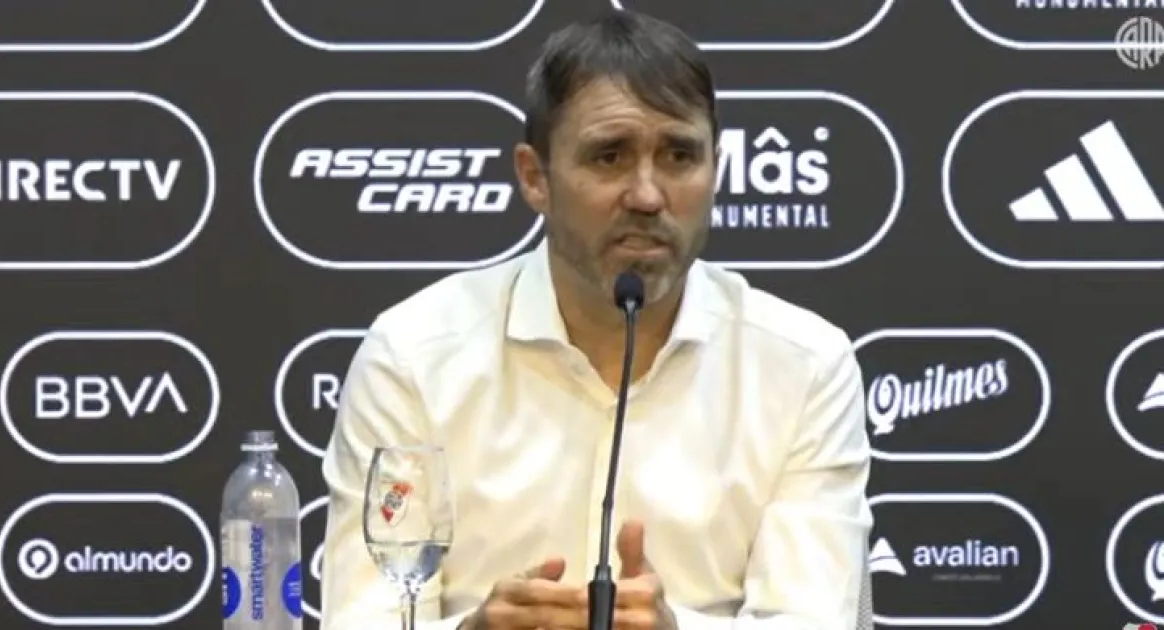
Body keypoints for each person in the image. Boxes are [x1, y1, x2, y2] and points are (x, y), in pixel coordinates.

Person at [320, 9, 872, 630]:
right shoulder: (413, 356)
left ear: (715, 169)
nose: (648, 195)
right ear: (535, 177)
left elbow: (812, 618)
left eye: (679, 156)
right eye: (609, 157)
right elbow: (364, 618)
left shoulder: (803, 365)